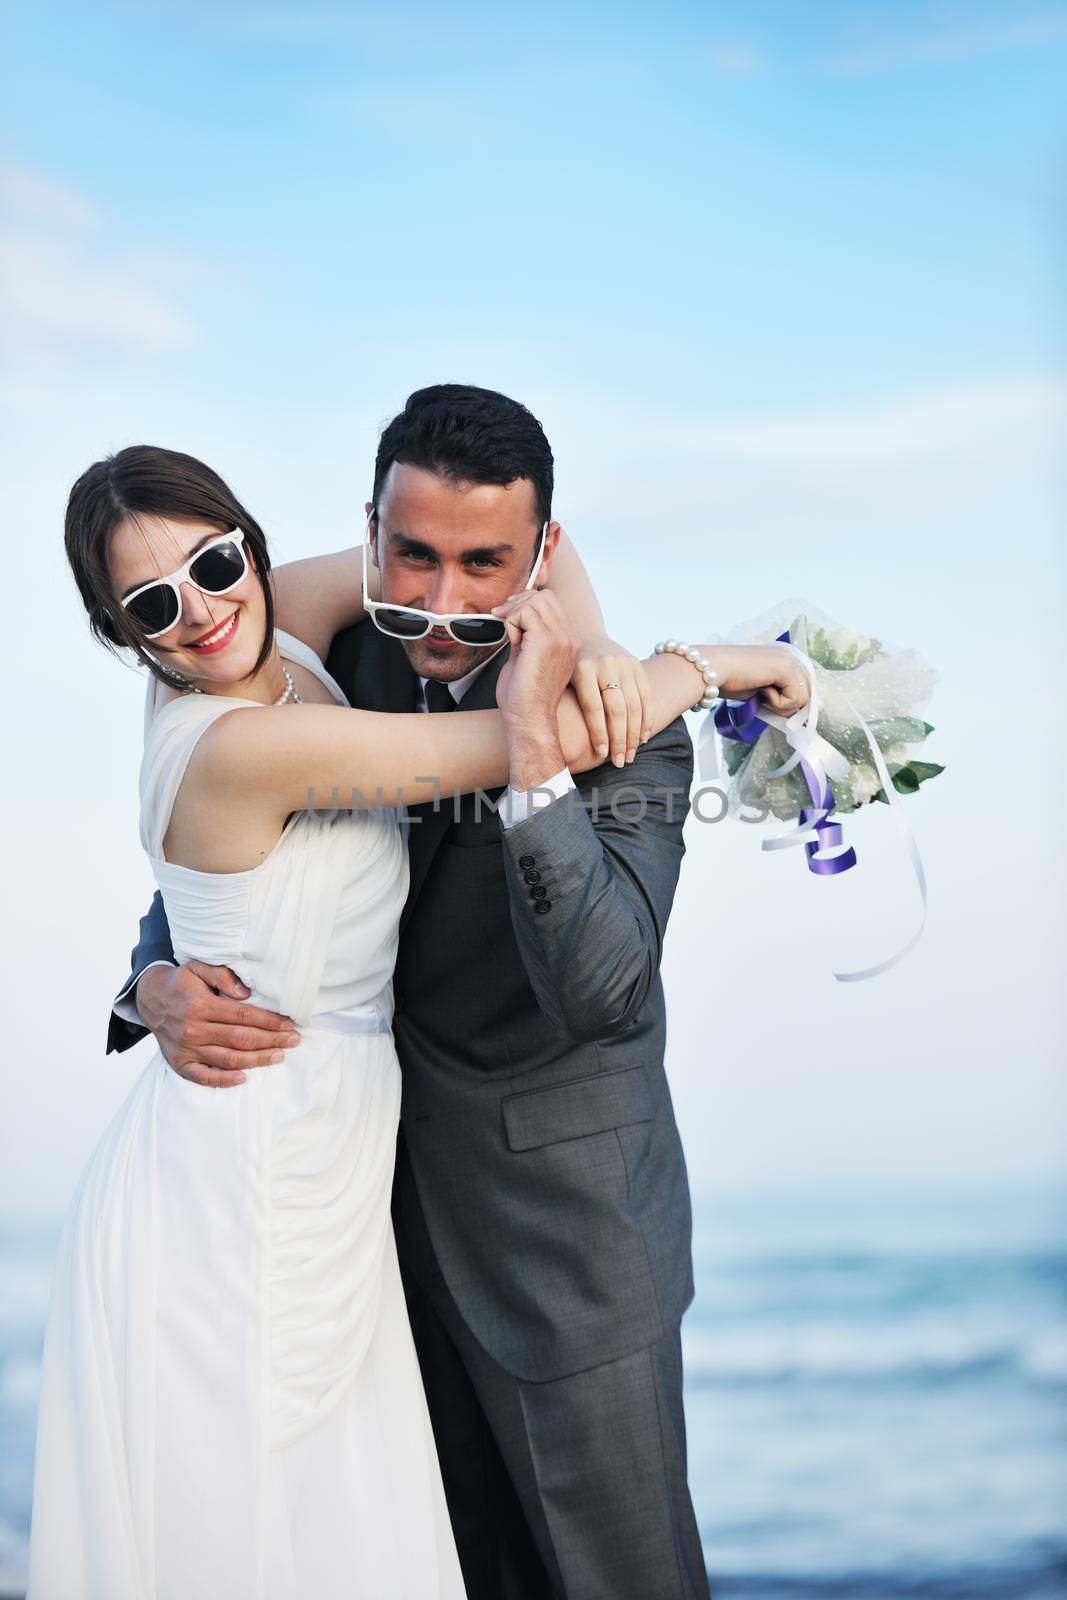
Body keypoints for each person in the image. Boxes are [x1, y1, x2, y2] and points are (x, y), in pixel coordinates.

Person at [38, 386, 808, 1599]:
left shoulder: (596, 720)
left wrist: (605, 655)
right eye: (148, 605)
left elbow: (602, 989)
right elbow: (219, 867)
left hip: (552, 1239)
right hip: (316, 1212)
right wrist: (722, 663)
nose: (195, 610)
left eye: (214, 565)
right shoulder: (322, 670)